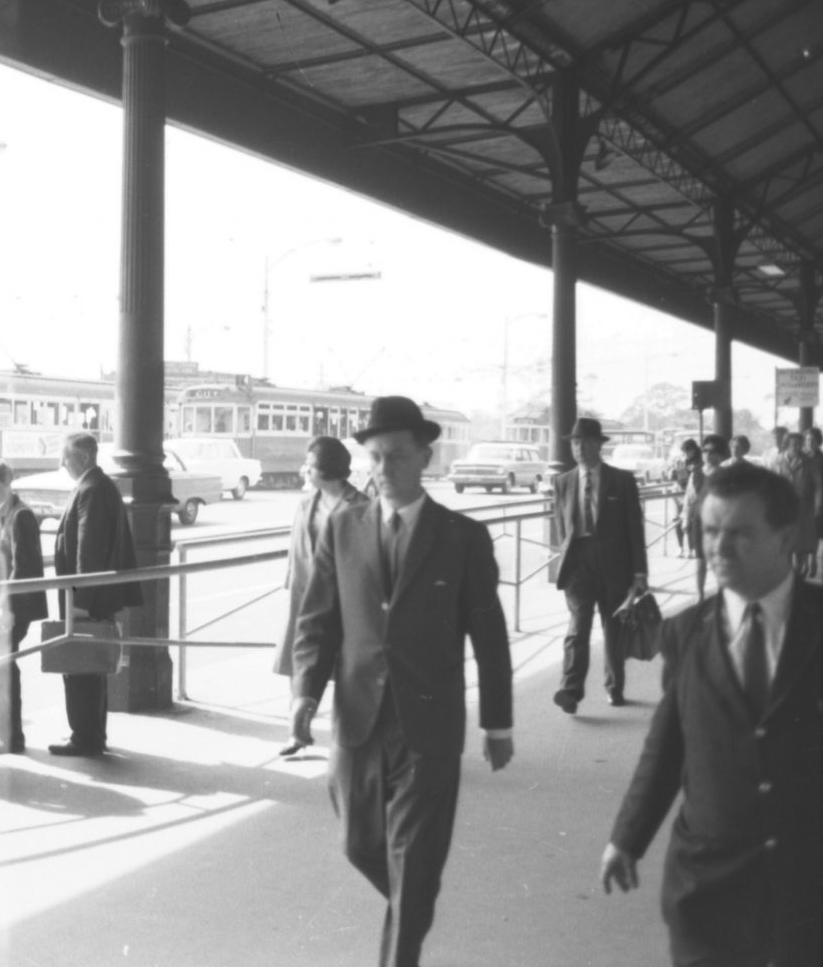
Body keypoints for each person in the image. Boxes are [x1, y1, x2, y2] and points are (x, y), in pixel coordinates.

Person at [289, 396, 513, 967]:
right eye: (375, 458)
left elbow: (489, 636)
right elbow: (318, 620)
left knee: (413, 864)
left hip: (429, 722)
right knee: (358, 843)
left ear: (425, 457)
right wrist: (304, 693)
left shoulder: (462, 537)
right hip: (359, 716)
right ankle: (415, 907)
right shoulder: (343, 527)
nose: (383, 470)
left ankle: (404, 940)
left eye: (396, 457)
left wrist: (498, 721)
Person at [600, 462, 821, 967]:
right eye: (710, 530)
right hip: (707, 883)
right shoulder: (683, 633)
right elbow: (667, 743)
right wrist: (627, 838)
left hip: (809, 883)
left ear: (785, 537)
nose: (718, 547)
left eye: (740, 533)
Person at [50, 432, 142, 757]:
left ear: (85, 457)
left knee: (80, 667)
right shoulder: (98, 486)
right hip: (93, 597)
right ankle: (91, 734)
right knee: (90, 667)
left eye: (66, 456)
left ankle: (84, 738)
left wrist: (78, 604)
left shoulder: (91, 490)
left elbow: (87, 553)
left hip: (85, 600)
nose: (62, 463)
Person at [274, 436, 368, 753]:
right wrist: (290, 585)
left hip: (345, 603)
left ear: (325, 470)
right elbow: (296, 550)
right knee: (298, 664)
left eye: (309, 465)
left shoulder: (362, 507)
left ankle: (350, 736)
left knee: (347, 670)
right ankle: (297, 731)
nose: (304, 469)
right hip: (304, 598)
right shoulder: (304, 504)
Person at [551, 417, 647, 713]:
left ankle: (614, 686)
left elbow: (635, 528)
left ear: (598, 445)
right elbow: (561, 526)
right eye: (574, 443)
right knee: (578, 628)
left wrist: (639, 573)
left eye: (584, 442)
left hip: (615, 564)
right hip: (579, 563)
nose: (578, 449)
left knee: (614, 627)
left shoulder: (621, 480)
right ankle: (570, 689)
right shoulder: (563, 482)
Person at [0, 458, 49, 755]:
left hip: (8, 607)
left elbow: (23, 567)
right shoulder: (3, 512)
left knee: (3, 669)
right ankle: (1, 732)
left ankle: (10, 738)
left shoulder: (20, 516)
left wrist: (7, 606)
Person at [686, 433, 727, 602]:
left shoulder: (726, 474)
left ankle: (722, 593)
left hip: (719, 523)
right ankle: (700, 594)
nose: (708, 455)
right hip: (699, 521)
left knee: (719, 559)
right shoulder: (696, 472)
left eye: (712, 451)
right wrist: (685, 519)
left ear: (720, 455)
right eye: (705, 450)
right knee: (700, 560)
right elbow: (689, 498)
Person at [773, 430, 820, 578]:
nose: (798, 447)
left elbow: (820, 486)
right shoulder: (777, 461)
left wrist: (818, 507)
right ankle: (788, 577)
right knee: (785, 545)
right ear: (786, 444)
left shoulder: (810, 463)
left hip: (804, 510)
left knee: (800, 547)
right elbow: (771, 484)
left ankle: (799, 577)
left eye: (800, 444)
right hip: (782, 508)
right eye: (794, 444)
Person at [669, 439, 700, 557]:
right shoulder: (681, 461)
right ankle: (680, 547)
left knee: (690, 522)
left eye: (688, 451)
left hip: (691, 496)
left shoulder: (699, 462)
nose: (686, 454)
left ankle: (692, 549)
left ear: (693, 450)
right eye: (684, 452)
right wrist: (673, 473)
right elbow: (681, 480)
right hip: (679, 494)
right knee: (677, 520)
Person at [806, 427, 823, 579]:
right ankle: (805, 562)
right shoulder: (802, 456)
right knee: (803, 532)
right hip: (803, 500)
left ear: (819, 441)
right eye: (808, 439)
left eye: (813, 439)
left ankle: (813, 562)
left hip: (818, 500)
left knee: (815, 533)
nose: (810, 442)